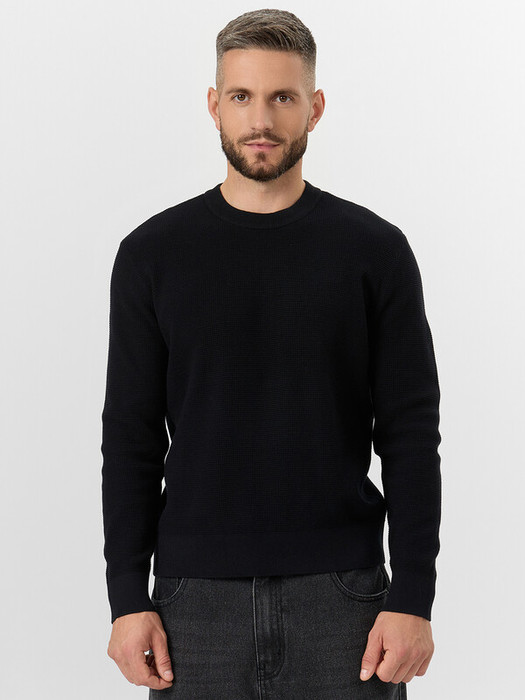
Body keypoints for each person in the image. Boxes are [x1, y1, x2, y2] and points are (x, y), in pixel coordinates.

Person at [101, 8, 441, 699]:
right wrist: (126, 598)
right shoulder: (152, 255)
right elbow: (131, 437)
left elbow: (410, 433)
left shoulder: (373, 251)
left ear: (314, 108)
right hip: (193, 603)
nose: (261, 119)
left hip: (344, 601)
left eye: (283, 97)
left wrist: (413, 595)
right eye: (242, 96)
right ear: (214, 106)